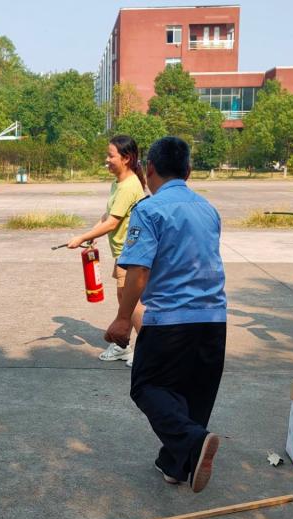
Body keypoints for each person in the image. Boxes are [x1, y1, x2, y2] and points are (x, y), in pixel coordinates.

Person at [105, 136, 226, 492]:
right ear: (188, 171)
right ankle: (175, 465)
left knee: (146, 386)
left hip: (171, 320)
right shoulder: (208, 209)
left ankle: (193, 443)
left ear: (150, 169)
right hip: (214, 319)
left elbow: (139, 271)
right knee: (194, 395)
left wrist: (123, 318)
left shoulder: (149, 209)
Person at [68, 135, 147, 367]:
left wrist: (82, 238)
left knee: (133, 304)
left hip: (132, 253)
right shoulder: (118, 184)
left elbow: (113, 223)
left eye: (111, 155)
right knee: (125, 300)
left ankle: (148, 353)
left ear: (126, 158)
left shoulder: (129, 186)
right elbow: (107, 216)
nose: (107, 160)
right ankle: (123, 346)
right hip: (124, 253)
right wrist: (92, 234)